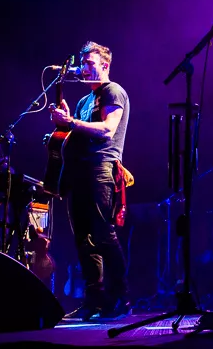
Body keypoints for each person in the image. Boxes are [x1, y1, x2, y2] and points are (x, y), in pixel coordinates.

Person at [50, 41, 131, 320]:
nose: (83, 70)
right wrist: (66, 120)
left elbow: (107, 130)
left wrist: (71, 123)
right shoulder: (85, 101)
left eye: (89, 64)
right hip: (78, 171)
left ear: (105, 65)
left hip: (100, 168)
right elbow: (77, 130)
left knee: (102, 233)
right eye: (82, 64)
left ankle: (120, 296)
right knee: (83, 239)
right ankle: (94, 300)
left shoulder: (113, 91)